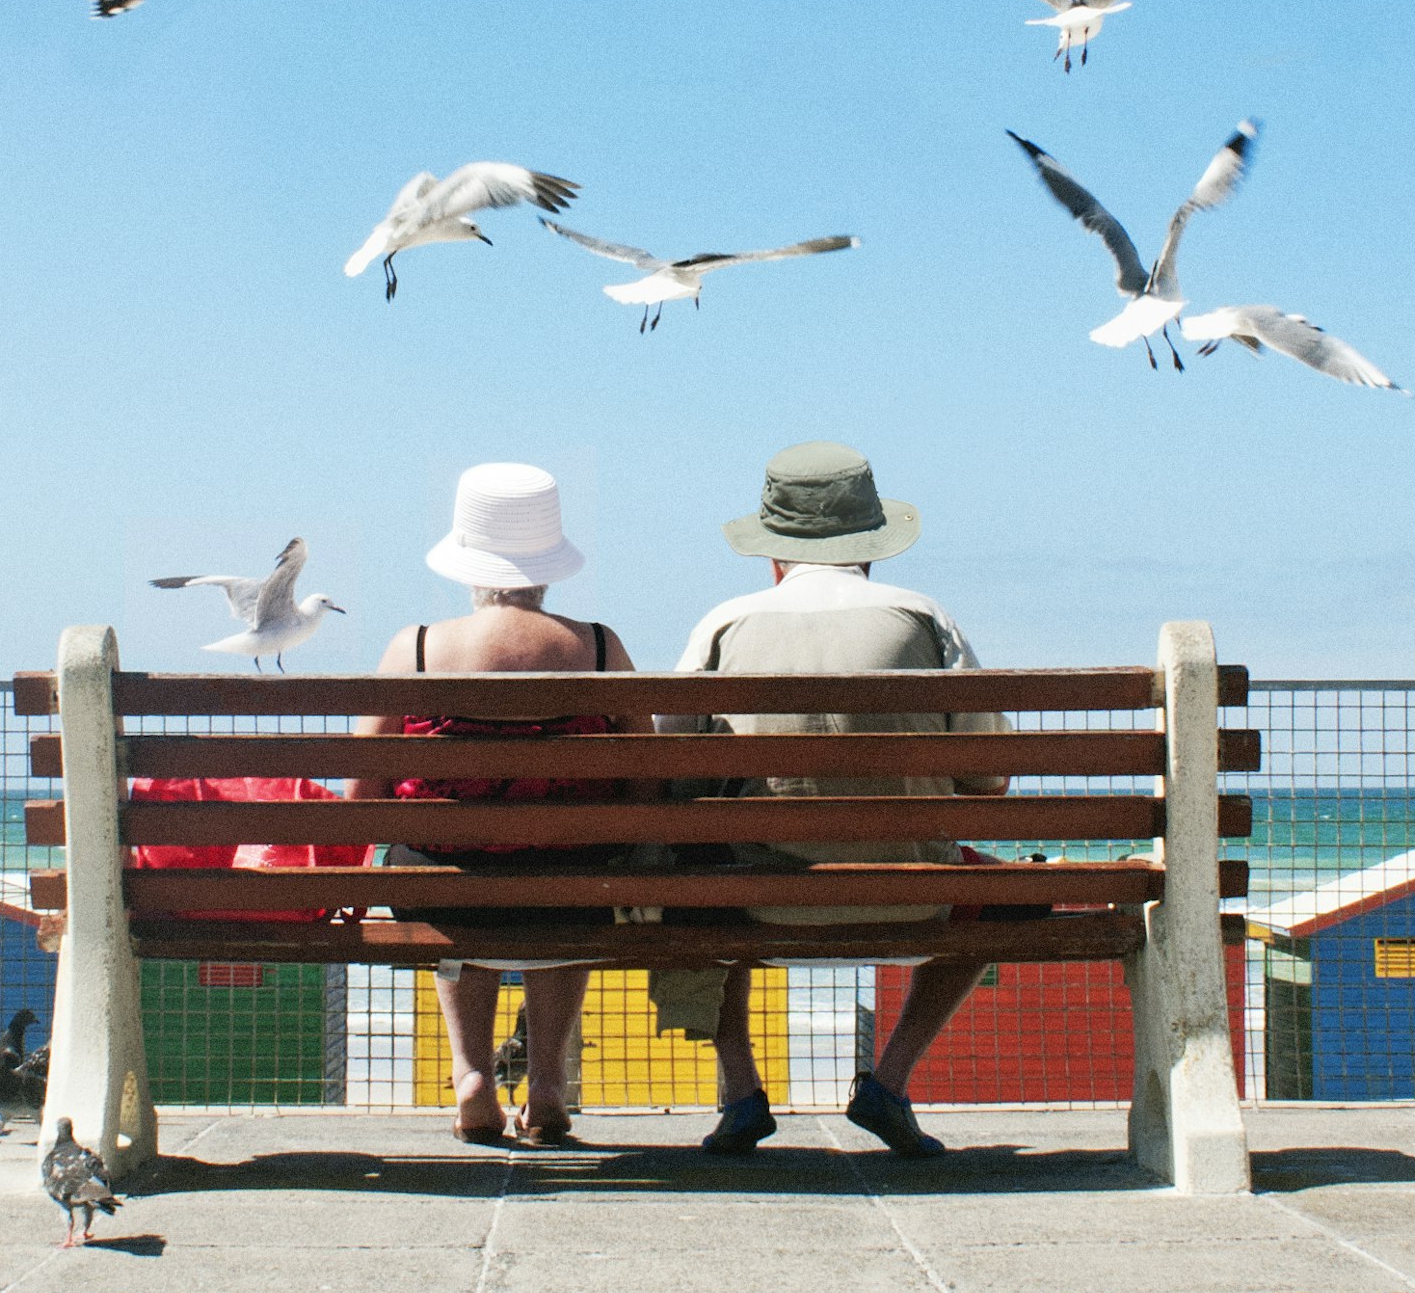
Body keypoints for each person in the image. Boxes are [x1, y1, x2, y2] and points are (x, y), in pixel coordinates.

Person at [661, 440, 1017, 1159]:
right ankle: (888, 1083)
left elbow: (675, 775)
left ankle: (741, 1093)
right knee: (1002, 899)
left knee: (694, 879)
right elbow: (989, 777)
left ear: (772, 553)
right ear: (874, 548)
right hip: (915, 896)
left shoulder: (726, 623)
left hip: (757, 899)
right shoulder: (924, 618)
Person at [351, 462, 635, 1146]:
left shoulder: (416, 648)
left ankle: (473, 1078)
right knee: (573, 869)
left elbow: (362, 789)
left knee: (452, 861)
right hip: (573, 886)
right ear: (549, 566)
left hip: (442, 888)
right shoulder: (597, 647)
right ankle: (545, 1086)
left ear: (466, 563)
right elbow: (644, 781)